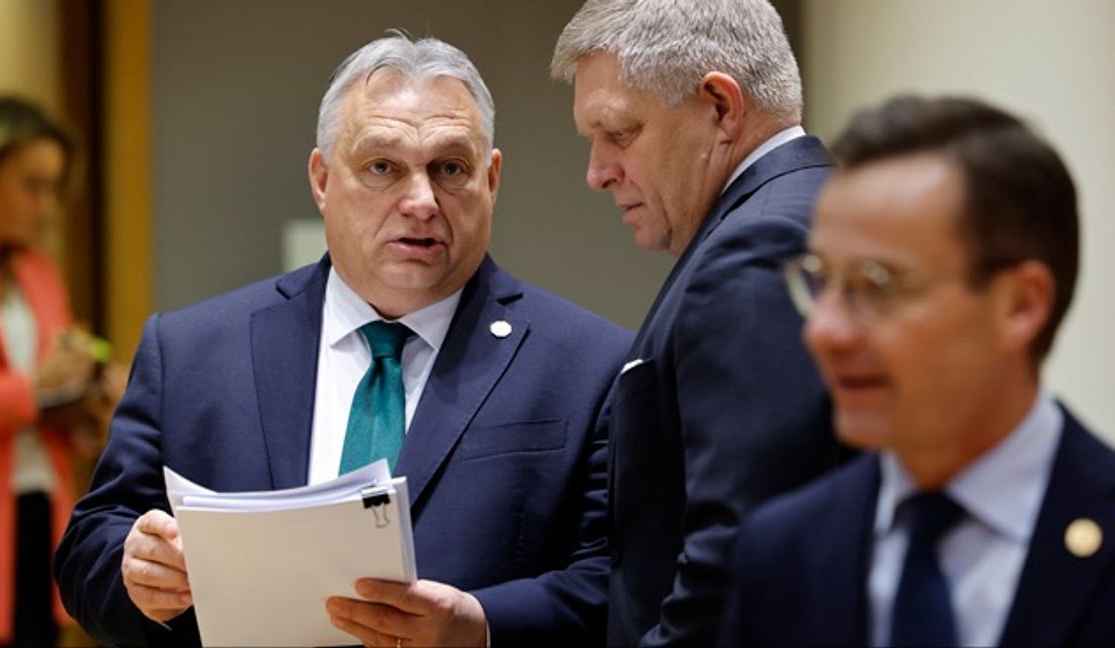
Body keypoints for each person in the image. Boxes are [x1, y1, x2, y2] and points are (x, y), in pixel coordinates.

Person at [55, 34, 631, 647]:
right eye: (382, 167)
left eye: (451, 169)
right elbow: (90, 547)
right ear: (323, 179)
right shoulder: (192, 351)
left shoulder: (587, 366)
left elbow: (618, 582)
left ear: (491, 180)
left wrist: (483, 627)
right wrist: (135, 571)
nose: (420, 201)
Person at [723, 95, 1115, 647]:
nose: (823, 331)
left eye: (877, 284)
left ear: (1019, 306)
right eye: (819, 280)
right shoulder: (782, 551)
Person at [550, 1, 845, 644]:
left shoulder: (759, 246)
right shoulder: (816, 210)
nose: (597, 173)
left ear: (719, 106)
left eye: (620, 133)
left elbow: (738, 562)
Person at [0, 96, 120, 645]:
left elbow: (56, 384)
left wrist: (93, 397)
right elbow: (33, 387)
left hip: (36, 511)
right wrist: (33, 388)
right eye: (33, 184)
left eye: (55, 188)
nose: (47, 205)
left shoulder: (38, 273)